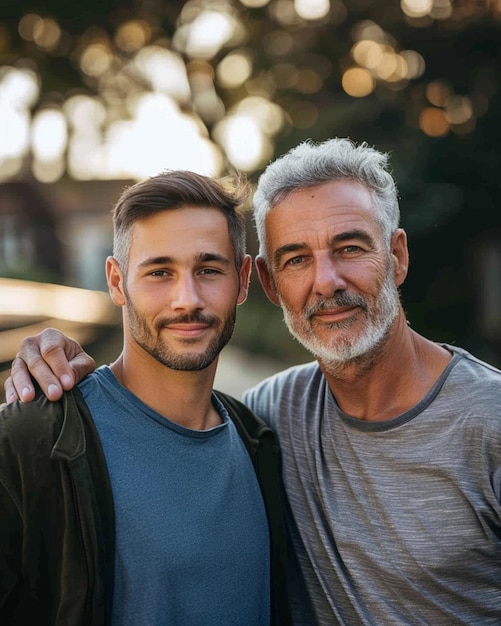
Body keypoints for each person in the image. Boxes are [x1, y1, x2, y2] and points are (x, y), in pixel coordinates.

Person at [5, 138, 501, 624]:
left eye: (350, 247)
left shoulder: (261, 434)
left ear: (396, 257)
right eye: (297, 258)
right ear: (267, 280)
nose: (326, 280)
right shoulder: (272, 415)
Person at [0, 170, 291, 625]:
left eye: (209, 270)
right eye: (160, 272)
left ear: (244, 279)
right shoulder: (33, 439)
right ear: (117, 282)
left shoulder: (262, 443)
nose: (186, 299)